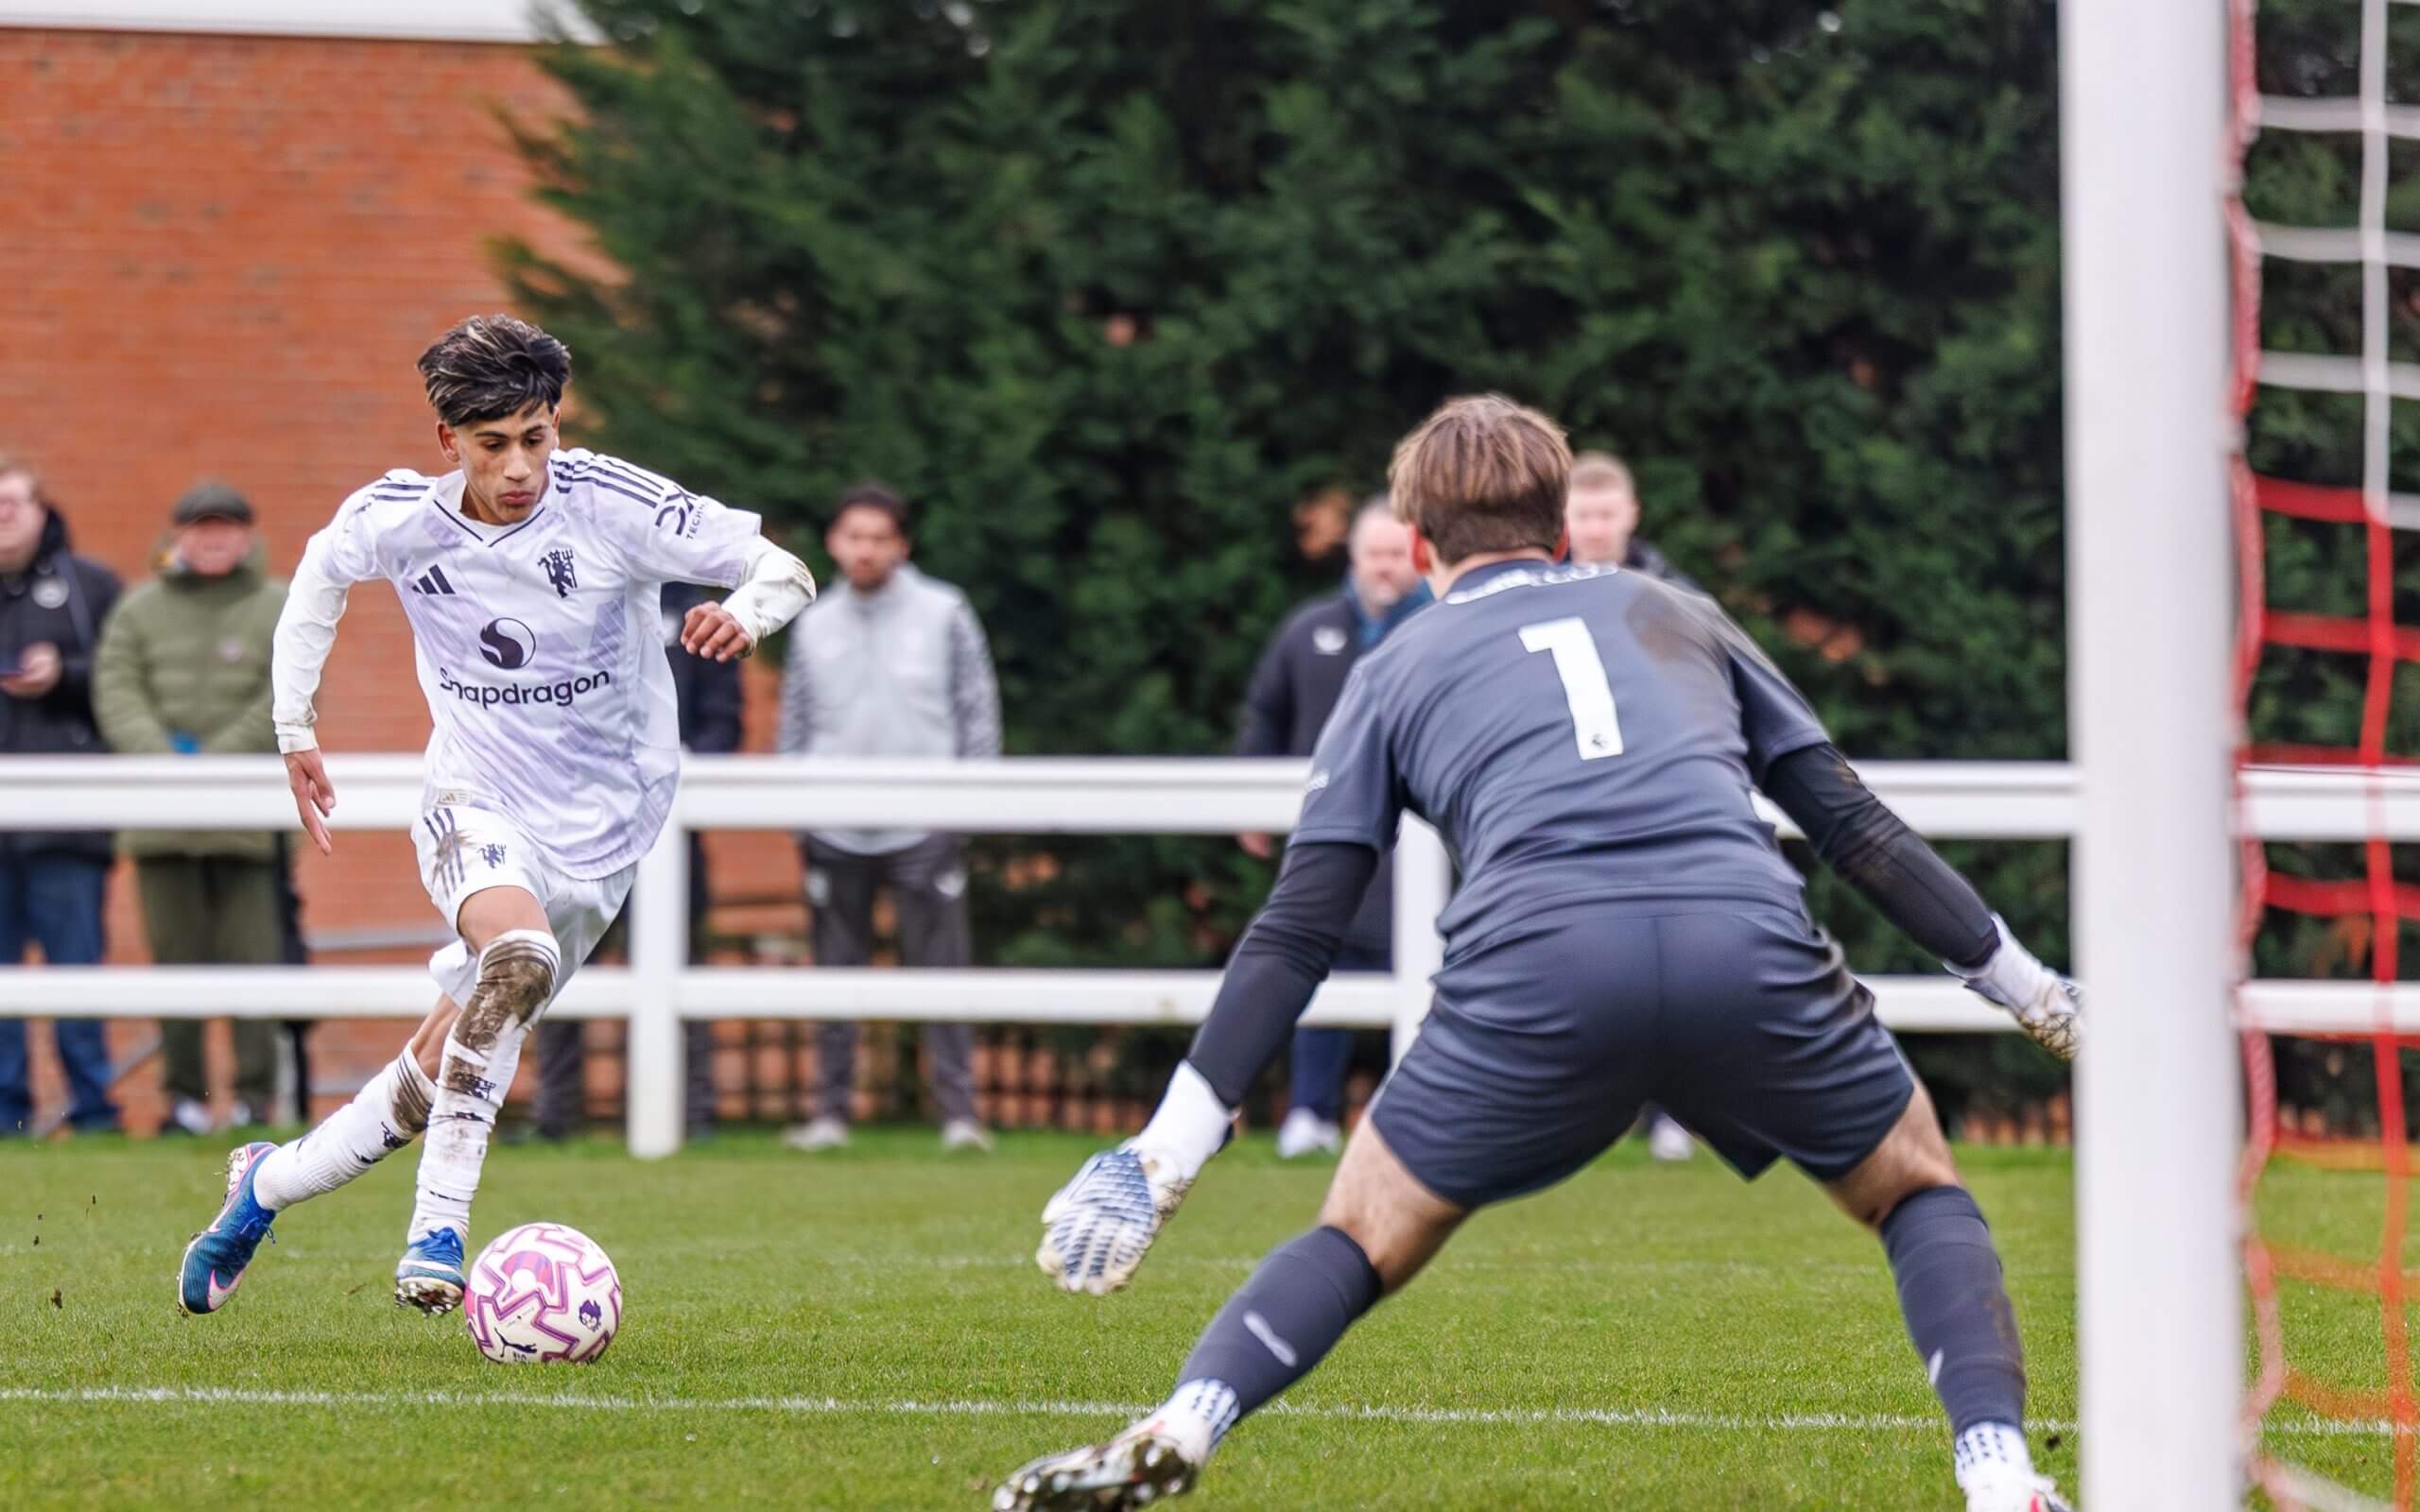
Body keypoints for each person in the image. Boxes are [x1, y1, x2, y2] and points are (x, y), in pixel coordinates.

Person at [996, 396, 2081, 1512]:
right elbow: (1856, 827)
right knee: (1915, 1189)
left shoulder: (1391, 665)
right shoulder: (1677, 610)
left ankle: (1187, 1420)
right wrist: (2038, 995)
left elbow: (1303, 920)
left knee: (1363, 1233)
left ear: (1419, 548)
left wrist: (1168, 1147)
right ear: (1563, 532)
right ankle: (1997, 1472)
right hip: (1741, 939)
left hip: (1541, 967)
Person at [171, 313, 815, 1318]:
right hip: (476, 792)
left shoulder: (611, 504)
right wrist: (293, 726)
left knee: (440, 1063)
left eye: (537, 436)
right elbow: (318, 577)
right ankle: (439, 1225)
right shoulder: (400, 518)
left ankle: (265, 1185)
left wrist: (747, 611)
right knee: (514, 959)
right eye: (493, 444)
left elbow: (781, 565)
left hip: (607, 827)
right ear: (447, 442)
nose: (520, 466)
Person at [776, 482, 1001, 1154]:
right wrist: (796, 816)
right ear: (834, 544)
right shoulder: (812, 620)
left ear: (901, 544)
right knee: (833, 977)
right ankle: (830, 1116)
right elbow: (795, 719)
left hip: (926, 827)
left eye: (880, 537)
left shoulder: (945, 611)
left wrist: (970, 809)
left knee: (943, 975)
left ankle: (960, 1117)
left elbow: (976, 707)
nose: (866, 549)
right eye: (854, 536)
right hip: (833, 828)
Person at [1234, 494, 1428, 1158]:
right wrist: (1248, 801)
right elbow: (1264, 713)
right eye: (1374, 553)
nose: (1384, 567)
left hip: (1421, 844)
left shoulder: (1442, 626)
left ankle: (1406, 1123)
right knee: (1317, 969)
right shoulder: (1308, 629)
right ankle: (1309, 1114)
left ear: (1418, 555)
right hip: (1328, 831)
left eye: (1396, 554)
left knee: (1425, 977)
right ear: (1354, 556)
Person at [94, 481, 287, 1135]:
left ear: (247, 534)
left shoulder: (277, 605)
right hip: (160, 821)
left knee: (255, 959)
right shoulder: (138, 610)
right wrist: (164, 766)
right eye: (201, 527)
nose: (213, 539)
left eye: (226, 527)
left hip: (247, 825)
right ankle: (182, 1101)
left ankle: (254, 1101)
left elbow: (289, 691)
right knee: (172, 960)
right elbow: (116, 687)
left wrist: (216, 766)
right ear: (177, 535)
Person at [530, 579, 743, 1141]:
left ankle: (688, 1112)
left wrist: (676, 768)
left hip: (671, 826)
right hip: (579, 825)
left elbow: (725, 722)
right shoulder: (571, 593)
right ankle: (554, 1115)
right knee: (562, 963)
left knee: (677, 963)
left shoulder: (699, 609)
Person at [1565, 449, 1702, 1162]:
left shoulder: (1671, 596)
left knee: (1665, 956)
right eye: (1581, 514)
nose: (1593, 527)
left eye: (1604, 513)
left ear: (1630, 515)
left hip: (1656, 795)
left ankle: (1673, 1114)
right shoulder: (1538, 591)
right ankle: (1586, 1115)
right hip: (1568, 800)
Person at [0, 455, 122, 1136]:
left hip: (71, 822)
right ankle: (7, 1117)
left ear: (43, 509)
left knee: (78, 969)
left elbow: (126, 677)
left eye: (13, 502)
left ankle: (94, 1110)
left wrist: (65, 675)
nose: (4, 517)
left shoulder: (90, 587)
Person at [1563, 449, 1699, 591]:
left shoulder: (1679, 596)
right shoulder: (1541, 594)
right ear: (1563, 519)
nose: (1596, 531)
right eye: (1582, 516)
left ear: (1633, 515)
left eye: (1607, 515)